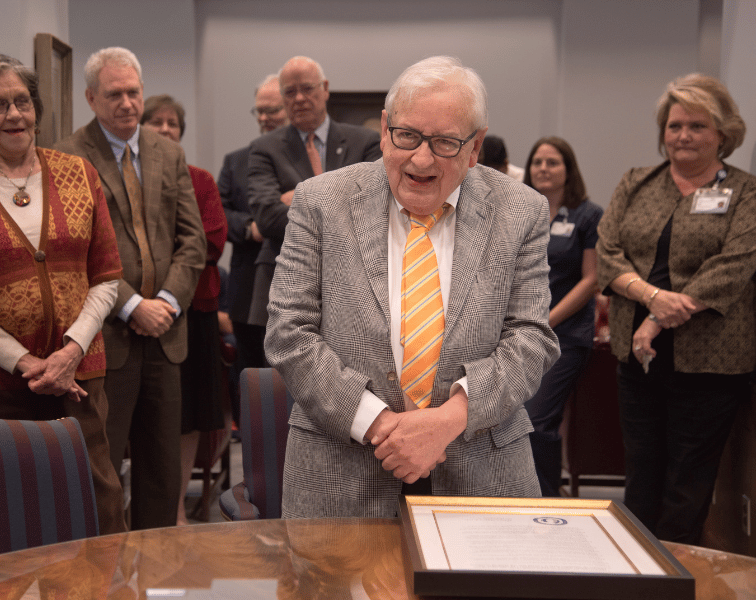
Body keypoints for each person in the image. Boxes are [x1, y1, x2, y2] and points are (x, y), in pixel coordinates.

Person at [266, 55, 559, 518]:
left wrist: (445, 422)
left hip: (483, 474)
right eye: (407, 136)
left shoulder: (521, 211)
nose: (421, 159)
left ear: (475, 146)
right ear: (384, 130)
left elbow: (530, 339)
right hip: (339, 478)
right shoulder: (321, 201)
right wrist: (383, 426)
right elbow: (289, 331)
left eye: (445, 143)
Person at [0, 52, 126, 534]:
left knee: (97, 499)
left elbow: (106, 274)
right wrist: (26, 363)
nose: (14, 115)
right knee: (0, 507)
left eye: (22, 102)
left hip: (79, 379)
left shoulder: (79, 174)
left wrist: (70, 352)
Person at [596, 73, 756, 544]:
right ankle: (639, 570)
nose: (682, 136)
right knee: (642, 473)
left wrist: (657, 318)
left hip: (711, 359)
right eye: (674, 125)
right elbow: (609, 254)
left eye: (697, 126)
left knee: (689, 481)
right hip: (638, 357)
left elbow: (734, 264)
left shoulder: (746, 193)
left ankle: (676, 576)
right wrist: (652, 299)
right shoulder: (636, 183)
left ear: (722, 135)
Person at [55, 47, 206, 530]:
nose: (126, 103)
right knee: (103, 469)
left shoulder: (169, 152)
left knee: (162, 471)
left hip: (166, 335)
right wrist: (132, 305)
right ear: (91, 98)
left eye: (133, 92)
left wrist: (165, 302)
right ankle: (104, 576)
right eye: (114, 94)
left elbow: (193, 240)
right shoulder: (68, 157)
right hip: (106, 338)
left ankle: (156, 578)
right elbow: (74, 252)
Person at [140, 94, 228, 526]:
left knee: (191, 412)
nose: (164, 129)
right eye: (155, 122)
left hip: (195, 311)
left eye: (172, 123)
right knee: (149, 413)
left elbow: (212, 240)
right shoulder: (128, 178)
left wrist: (160, 260)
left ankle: (174, 509)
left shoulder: (200, 179)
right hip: (136, 313)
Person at [247, 56, 382, 330]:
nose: (299, 98)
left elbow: (373, 208)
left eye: (307, 89)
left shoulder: (365, 142)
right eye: (290, 91)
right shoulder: (264, 148)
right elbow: (267, 218)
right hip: (284, 282)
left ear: (325, 88)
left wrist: (297, 197)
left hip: (353, 283)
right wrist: (342, 202)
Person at [521, 136, 602, 496]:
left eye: (552, 162)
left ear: (568, 170)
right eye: (537, 162)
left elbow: (592, 279)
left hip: (564, 336)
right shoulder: (521, 213)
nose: (543, 169)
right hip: (520, 334)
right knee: (516, 421)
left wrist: (547, 319)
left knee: (538, 421)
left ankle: (547, 502)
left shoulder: (588, 215)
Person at [218, 74, 288, 415]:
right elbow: (219, 215)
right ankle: (255, 453)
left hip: (299, 282)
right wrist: (253, 228)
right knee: (252, 376)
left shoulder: (307, 160)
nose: (263, 118)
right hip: (248, 290)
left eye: (271, 110)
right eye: (258, 111)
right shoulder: (236, 161)